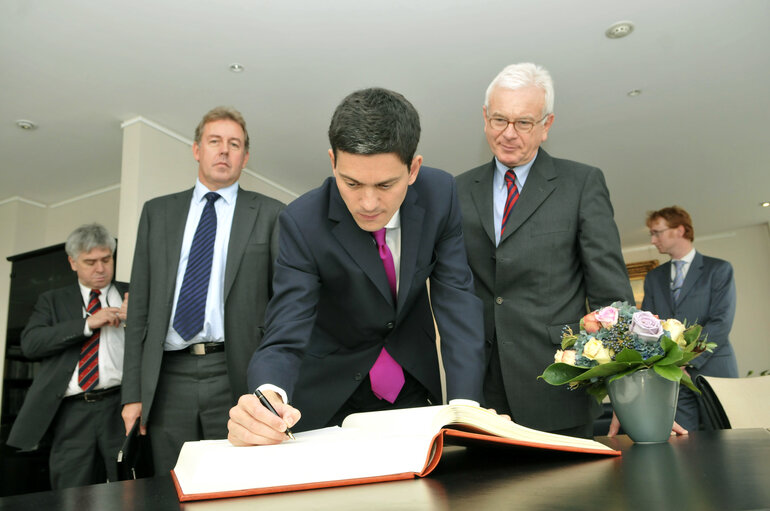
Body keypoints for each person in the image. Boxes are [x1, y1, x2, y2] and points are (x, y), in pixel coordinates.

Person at [227, 87, 486, 446]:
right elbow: (286, 328)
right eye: (351, 183)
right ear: (333, 162)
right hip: (328, 392)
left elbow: (457, 300)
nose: (367, 203)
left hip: (410, 381)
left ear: (413, 169)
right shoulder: (302, 222)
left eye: (385, 184)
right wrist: (268, 396)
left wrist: (465, 408)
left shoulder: (440, 195)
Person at [456, 63, 635, 438]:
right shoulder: (455, 191)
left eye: (523, 123)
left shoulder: (581, 183)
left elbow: (610, 300)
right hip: (480, 395)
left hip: (559, 387)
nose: (508, 134)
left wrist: (628, 392)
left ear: (546, 125)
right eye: (500, 120)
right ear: (485, 118)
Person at [120, 106, 284, 473]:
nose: (224, 151)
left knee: (238, 481)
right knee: (169, 482)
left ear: (245, 157)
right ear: (197, 149)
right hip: (167, 379)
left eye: (234, 144)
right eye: (215, 141)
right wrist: (133, 394)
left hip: (237, 373)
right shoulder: (156, 213)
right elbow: (140, 308)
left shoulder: (272, 214)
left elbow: (283, 305)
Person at [7, 223, 128, 489]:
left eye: (106, 259)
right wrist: (88, 323)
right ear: (73, 263)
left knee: (130, 486)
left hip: (123, 406)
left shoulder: (133, 294)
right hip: (71, 411)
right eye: (90, 262)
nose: (100, 268)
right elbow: (31, 344)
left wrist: (138, 320)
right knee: (71, 492)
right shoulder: (52, 300)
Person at [641, 205, 739, 431]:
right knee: (683, 443)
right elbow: (649, 326)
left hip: (714, 369)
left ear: (680, 230)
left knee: (726, 440)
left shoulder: (719, 269)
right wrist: (670, 363)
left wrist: (687, 359)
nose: (653, 240)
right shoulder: (654, 277)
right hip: (672, 376)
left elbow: (721, 322)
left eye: (657, 232)